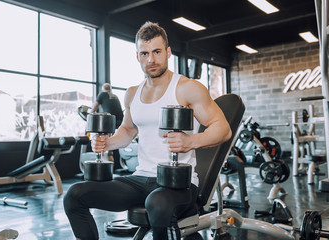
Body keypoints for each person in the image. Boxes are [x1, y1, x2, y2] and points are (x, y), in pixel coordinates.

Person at [64, 21, 232, 240]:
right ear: (137, 56)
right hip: (139, 179)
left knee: (158, 202)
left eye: (157, 52)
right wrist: (108, 143)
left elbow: (224, 129)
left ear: (168, 52)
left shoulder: (187, 88)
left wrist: (192, 141)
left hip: (178, 184)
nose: (151, 59)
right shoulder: (132, 93)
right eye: (144, 53)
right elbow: (128, 130)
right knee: (74, 195)